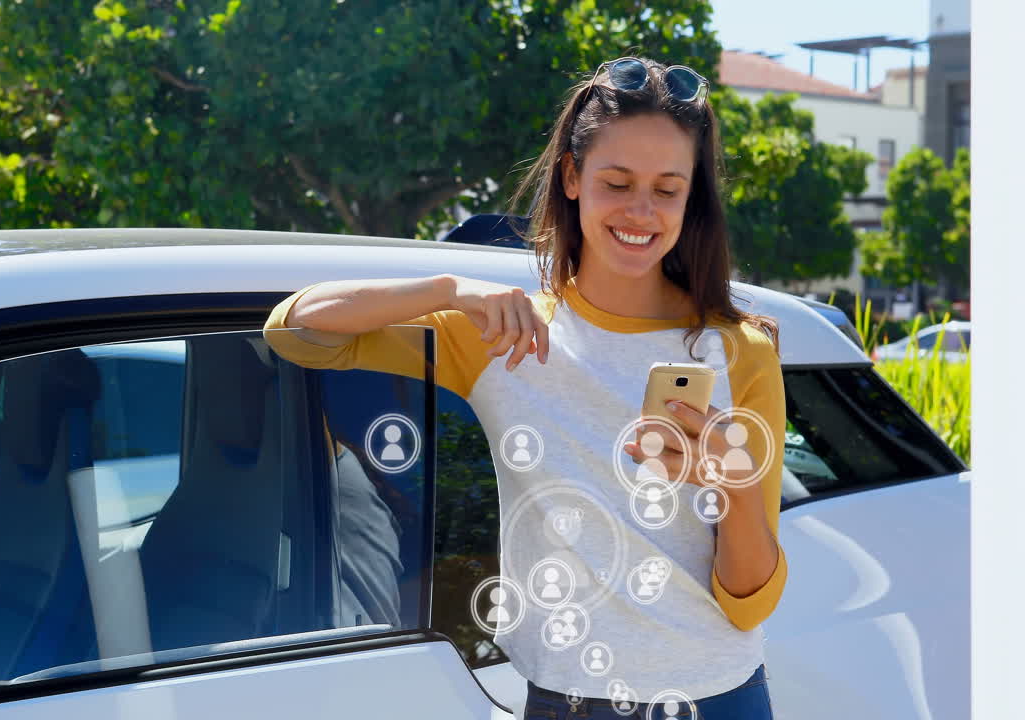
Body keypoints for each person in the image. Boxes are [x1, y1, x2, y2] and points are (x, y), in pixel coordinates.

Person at [263, 55, 785, 718]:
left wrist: (732, 484)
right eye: (617, 182)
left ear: (691, 198)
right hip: (563, 700)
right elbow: (295, 331)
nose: (641, 210)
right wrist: (448, 290)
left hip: (718, 699)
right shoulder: (501, 333)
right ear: (571, 176)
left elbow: (750, 603)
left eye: (667, 189)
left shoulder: (740, 353)